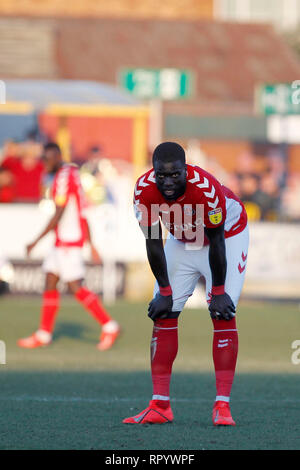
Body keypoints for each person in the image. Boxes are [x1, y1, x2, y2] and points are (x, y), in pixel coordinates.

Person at [123, 142, 248, 426]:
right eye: (161, 175)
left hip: (227, 237)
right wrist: (164, 292)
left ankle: (223, 406)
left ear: (186, 169)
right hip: (183, 239)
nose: (167, 182)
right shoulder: (143, 190)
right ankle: (159, 406)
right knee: (163, 312)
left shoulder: (205, 187)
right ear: (153, 171)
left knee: (222, 312)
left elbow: (216, 242)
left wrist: (217, 292)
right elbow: (153, 242)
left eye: (175, 175)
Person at [18, 142, 120, 351]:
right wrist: (90, 244)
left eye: (46, 159)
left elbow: (60, 212)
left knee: (75, 287)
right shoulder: (69, 173)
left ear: (56, 156)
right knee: (50, 280)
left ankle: (109, 325)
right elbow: (81, 212)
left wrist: (36, 241)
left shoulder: (64, 176)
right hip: (62, 241)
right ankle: (44, 333)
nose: (43, 163)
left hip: (68, 242)